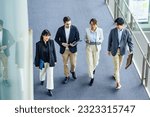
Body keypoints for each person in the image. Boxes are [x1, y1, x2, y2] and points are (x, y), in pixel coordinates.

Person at [107, 17, 133, 89]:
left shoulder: (126, 32)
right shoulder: (113, 31)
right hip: (114, 51)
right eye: (116, 24)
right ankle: (118, 83)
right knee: (116, 66)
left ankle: (115, 74)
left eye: (119, 25)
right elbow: (110, 40)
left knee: (119, 66)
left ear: (123, 25)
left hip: (122, 51)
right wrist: (108, 50)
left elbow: (130, 42)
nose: (117, 26)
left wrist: (131, 50)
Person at [55, 16, 80, 84]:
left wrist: (73, 44)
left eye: (70, 23)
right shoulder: (60, 30)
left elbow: (78, 39)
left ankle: (72, 71)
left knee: (73, 64)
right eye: (67, 24)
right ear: (64, 23)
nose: (69, 25)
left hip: (73, 49)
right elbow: (56, 39)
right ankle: (67, 76)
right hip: (64, 50)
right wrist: (61, 43)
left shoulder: (74, 28)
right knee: (65, 64)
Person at [34, 29, 57, 96]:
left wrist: (55, 60)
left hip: (50, 61)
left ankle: (49, 89)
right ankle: (42, 79)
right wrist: (37, 63)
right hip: (42, 61)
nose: (47, 37)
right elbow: (37, 54)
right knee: (42, 72)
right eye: (46, 36)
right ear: (42, 36)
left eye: (48, 36)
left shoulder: (51, 42)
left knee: (50, 75)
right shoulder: (38, 44)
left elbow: (54, 51)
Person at [85, 18, 104, 86]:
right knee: (90, 63)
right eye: (91, 24)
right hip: (89, 47)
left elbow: (102, 39)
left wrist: (97, 42)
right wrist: (87, 41)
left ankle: (93, 69)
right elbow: (85, 38)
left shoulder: (100, 30)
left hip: (96, 47)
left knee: (95, 62)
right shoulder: (87, 30)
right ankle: (92, 77)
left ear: (96, 24)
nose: (92, 26)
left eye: (93, 24)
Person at [0, 19, 15, 86]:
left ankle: (5, 80)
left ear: (2, 26)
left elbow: (12, 40)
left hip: (4, 53)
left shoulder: (6, 32)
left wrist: (6, 46)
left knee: (5, 67)